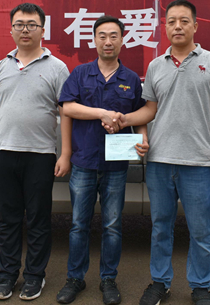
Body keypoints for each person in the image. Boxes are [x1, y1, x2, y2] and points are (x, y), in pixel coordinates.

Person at [112, 0, 210, 305]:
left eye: (184, 21)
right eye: (171, 21)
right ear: (164, 27)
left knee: (201, 230)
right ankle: (160, 283)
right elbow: (150, 110)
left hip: (197, 163)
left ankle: (201, 287)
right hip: (159, 162)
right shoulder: (156, 66)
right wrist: (124, 120)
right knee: (160, 228)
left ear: (195, 26)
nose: (177, 26)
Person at [0, 2, 72, 301]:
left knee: (38, 220)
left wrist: (65, 154)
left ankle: (34, 276)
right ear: (11, 30)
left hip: (40, 155)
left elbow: (66, 114)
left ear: (43, 30)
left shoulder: (57, 68)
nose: (25, 30)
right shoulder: (0, 67)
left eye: (32, 25)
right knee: (9, 220)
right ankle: (6, 275)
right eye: (19, 24)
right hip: (2, 153)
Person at [56, 16, 148, 305]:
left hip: (116, 166)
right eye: (102, 36)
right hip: (83, 162)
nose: (108, 42)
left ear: (122, 40)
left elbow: (141, 114)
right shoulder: (80, 73)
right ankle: (75, 278)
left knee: (112, 226)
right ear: (94, 40)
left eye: (114, 36)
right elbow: (68, 108)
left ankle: (108, 279)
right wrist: (102, 114)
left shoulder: (131, 79)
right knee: (78, 224)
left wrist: (143, 138)